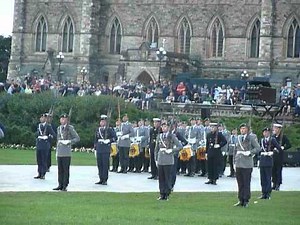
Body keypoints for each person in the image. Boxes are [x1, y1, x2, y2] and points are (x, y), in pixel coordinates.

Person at [233, 123, 260, 207]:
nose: (242, 130)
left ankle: (246, 200)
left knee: (246, 183)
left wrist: (250, 152)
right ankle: (240, 199)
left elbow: (258, 148)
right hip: (239, 163)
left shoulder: (251, 138)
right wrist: (234, 161)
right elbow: (235, 150)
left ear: (247, 130)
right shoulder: (238, 138)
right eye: (241, 129)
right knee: (240, 183)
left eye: (244, 128)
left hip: (247, 164)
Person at [155, 122, 183, 200]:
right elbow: (156, 149)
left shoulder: (172, 136)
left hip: (168, 159)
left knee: (167, 178)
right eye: (162, 127)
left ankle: (167, 194)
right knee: (161, 178)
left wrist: (172, 150)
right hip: (161, 159)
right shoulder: (159, 136)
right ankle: (161, 193)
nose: (163, 128)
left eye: (165, 126)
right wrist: (156, 159)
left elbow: (180, 146)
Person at [53, 113, 80, 191]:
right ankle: (60, 184)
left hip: (66, 152)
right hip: (60, 151)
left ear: (67, 120)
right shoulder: (59, 128)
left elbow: (77, 138)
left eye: (64, 119)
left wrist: (69, 141)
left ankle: (65, 185)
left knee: (65, 169)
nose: (62, 120)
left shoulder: (70, 128)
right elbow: (58, 139)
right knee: (60, 169)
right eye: (61, 119)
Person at [258, 127, 281, 200]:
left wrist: (272, 152)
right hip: (262, 160)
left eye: (267, 132)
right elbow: (259, 149)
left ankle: (268, 193)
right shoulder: (261, 140)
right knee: (262, 178)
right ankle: (263, 192)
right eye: (265, 132)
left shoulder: (272, 140)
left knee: (268, 178)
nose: (266, 133)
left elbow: (278, 148)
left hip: (269, 160)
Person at [94, 115, 117, 185]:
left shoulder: (109, 129)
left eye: (103, 121)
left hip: (105, 149)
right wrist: (95, 148)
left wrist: (108, 140)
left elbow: (115, 137)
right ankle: (101, 178)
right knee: (99, 165)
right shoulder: (98, 129)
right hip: (99, 149)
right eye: (101, 121)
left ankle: (105, 179)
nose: (102, 122)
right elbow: (95, 139)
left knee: (105, 165)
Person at [34, 113, 55, 179]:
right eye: (41, 117)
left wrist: (47, 137)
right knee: (39, 159)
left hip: (45, 145)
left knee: (44, 160)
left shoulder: (48, 126)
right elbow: (37, 134)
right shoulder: (39, 125)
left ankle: (43, 174)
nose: (41, 119)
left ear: (46, 119)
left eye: (43, 118)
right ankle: (39, 173)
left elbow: (53, 135)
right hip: (39, 144)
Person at [271, 123, 291, 191]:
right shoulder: (273, 136)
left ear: (279, 129)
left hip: (280, 155)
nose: (274, 129)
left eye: (276, 128)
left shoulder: (283, 136)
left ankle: (278, 184)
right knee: (273, 170)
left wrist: (283, 147)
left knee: (278, 170)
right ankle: (274, 183)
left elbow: (289, 145)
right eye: (274, 128)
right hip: (274, 155)